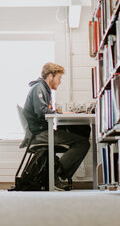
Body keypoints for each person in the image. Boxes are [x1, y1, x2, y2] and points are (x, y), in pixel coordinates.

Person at [23, 62, 90, 190]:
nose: (59, 82)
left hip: (41, 132)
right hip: (39, 134)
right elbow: (41, 111)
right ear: (50, 76)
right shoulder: (39, 88)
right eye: (58, 78)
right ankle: (55, 175)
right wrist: (61, 113)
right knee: (83, 143)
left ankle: (54, 174)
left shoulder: (43, 89)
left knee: (79, 138)